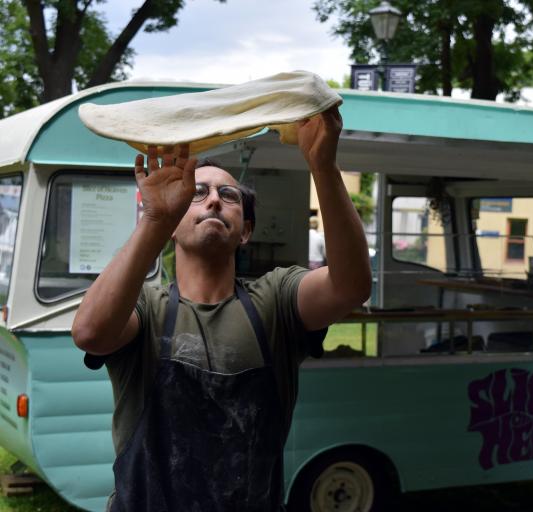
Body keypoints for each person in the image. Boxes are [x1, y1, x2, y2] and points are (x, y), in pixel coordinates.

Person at [71, 105, 371, 512]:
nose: (213, 200)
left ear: (245, 230)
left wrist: (323, 166)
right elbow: (90, 333)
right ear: (176, 221)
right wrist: (155, 218)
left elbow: (351, 286)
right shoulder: (145, 308)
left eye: (227, 195)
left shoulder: (276, 300)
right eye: (198, 193)